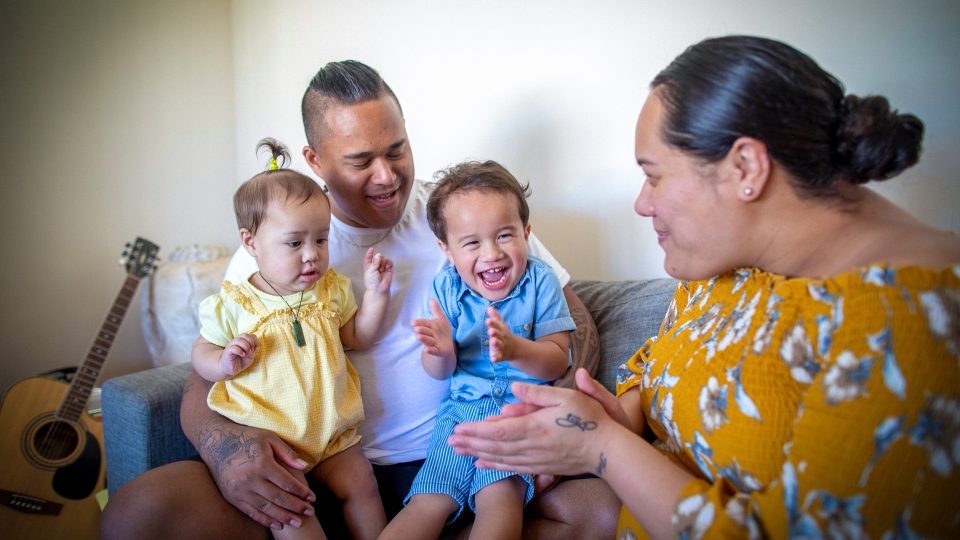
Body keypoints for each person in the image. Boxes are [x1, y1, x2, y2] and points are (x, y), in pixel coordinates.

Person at [448, 34, 960, 539]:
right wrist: (604, 418)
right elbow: (656, 376)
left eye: (654, 176)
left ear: (745, 168)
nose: (641, 204)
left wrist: (600, 447)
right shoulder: (721, 269)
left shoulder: (914, 320)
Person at [101, 61, 615, 539]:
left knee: (600, 510)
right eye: (360, 160)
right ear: (314, 159)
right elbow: (203, 376)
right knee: (139, 513)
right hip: (315, 467)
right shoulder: (278, 239)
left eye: (397, 150)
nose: (387, 176)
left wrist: (554, 429)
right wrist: (229, 454)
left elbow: (571, 324)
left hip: (467, 450)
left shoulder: (466, 216)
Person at [190, 138, 391, 539]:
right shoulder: (235, 302)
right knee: (292, 515)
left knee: (364, 486)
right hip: (273, 442)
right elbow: (201, 353)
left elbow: (359, 337)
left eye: (321, 239)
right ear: (251, 243)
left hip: (333, 435)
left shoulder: (330, 289)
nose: (312, 254)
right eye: (295, 243)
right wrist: (224, 361)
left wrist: (377, 295)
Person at [381, 161, 575, 539]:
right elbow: (439, 372)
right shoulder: (446, 287)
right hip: (459, 416)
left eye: (505, 236)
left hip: (520, 415)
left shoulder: (540, 281)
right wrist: (439, 352)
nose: (492, 254)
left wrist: (517, 349)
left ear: (526, 232)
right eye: (472, 243)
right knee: (429, 499)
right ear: (447, 250)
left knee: (498, 496)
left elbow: (557, 358)